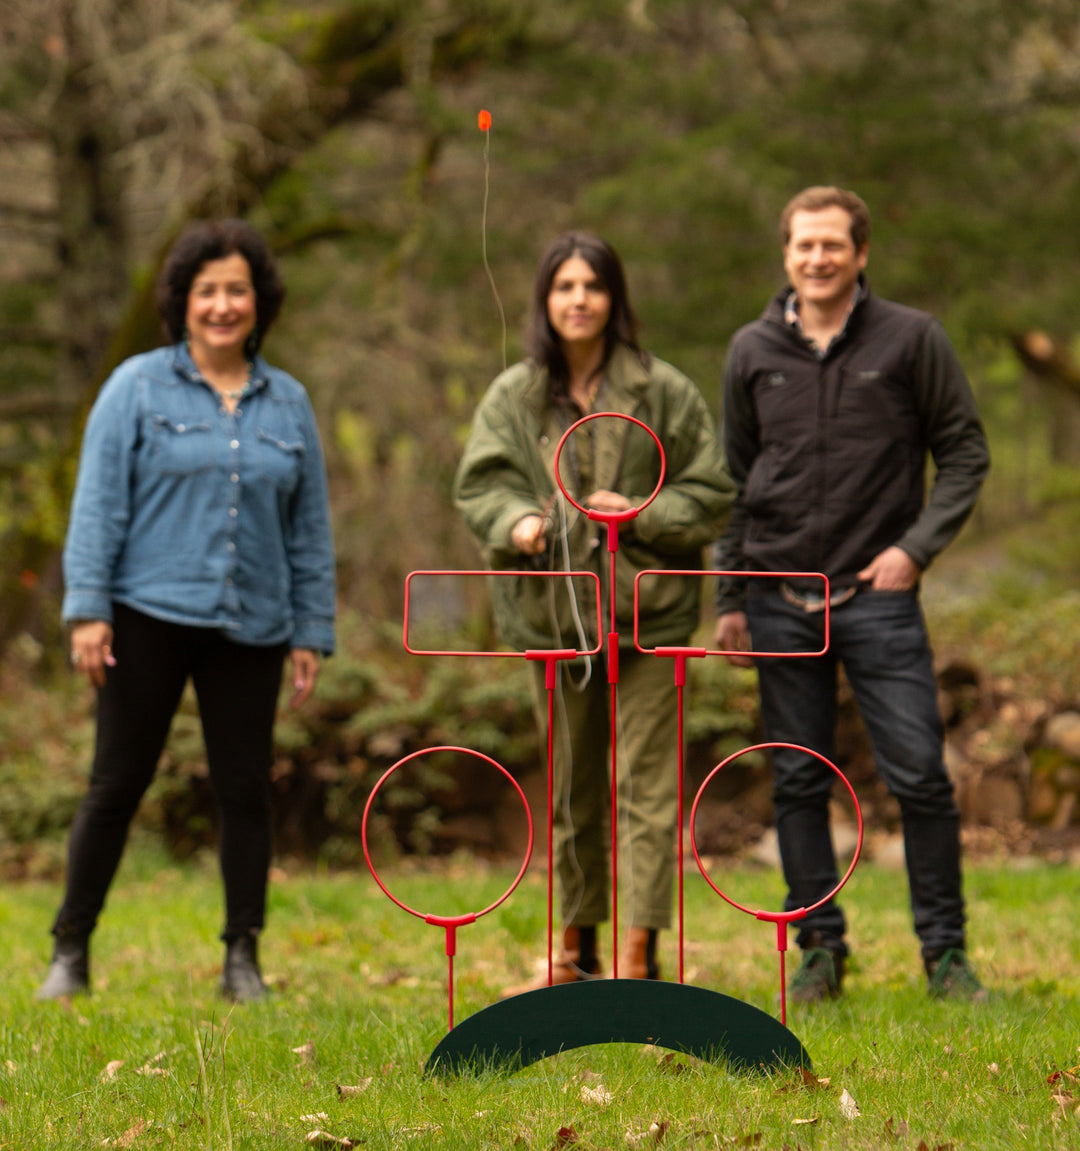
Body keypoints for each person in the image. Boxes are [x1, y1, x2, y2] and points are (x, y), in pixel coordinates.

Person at [37, 219, 336, 1003]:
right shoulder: (135, 387)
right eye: (208, 290)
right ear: (183, 301)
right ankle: (70, 950)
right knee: (116, 782)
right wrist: (87, 610)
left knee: (245, 789)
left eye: (237, 289)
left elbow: (309, 528)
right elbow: (97, 506)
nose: (223, 304)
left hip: (254, 624)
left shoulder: (290, 401)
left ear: (259, 300)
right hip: (145, 617)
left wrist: (312, 628)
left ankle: (243, 956)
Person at [714, 186, 990, 1002]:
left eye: (833, 244)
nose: (817, 258)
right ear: (787, 252)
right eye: (804, 245)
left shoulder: (913, 340)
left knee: (920, 777)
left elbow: (965, 453)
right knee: (799, 779)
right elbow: (736, 480)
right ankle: (820, 952)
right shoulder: (751, 351)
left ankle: (945, 955)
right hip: (776, 594)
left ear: (861, 252)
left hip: (879, 597)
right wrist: (731, 592)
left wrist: (916, 547)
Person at [454, 232, 733, 992]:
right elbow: (481, 485)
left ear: (615, 298)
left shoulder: (665, 390)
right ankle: (576, 950)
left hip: (649, 615)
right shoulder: (513, 394)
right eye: (563, 286)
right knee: (570, 789)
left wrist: (642, 511)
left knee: (647, 788)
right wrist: (518, 521)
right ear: (545, 300)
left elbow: (710, 492)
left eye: (593, 285)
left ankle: (640, 955)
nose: (579, 299)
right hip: (551, 618)